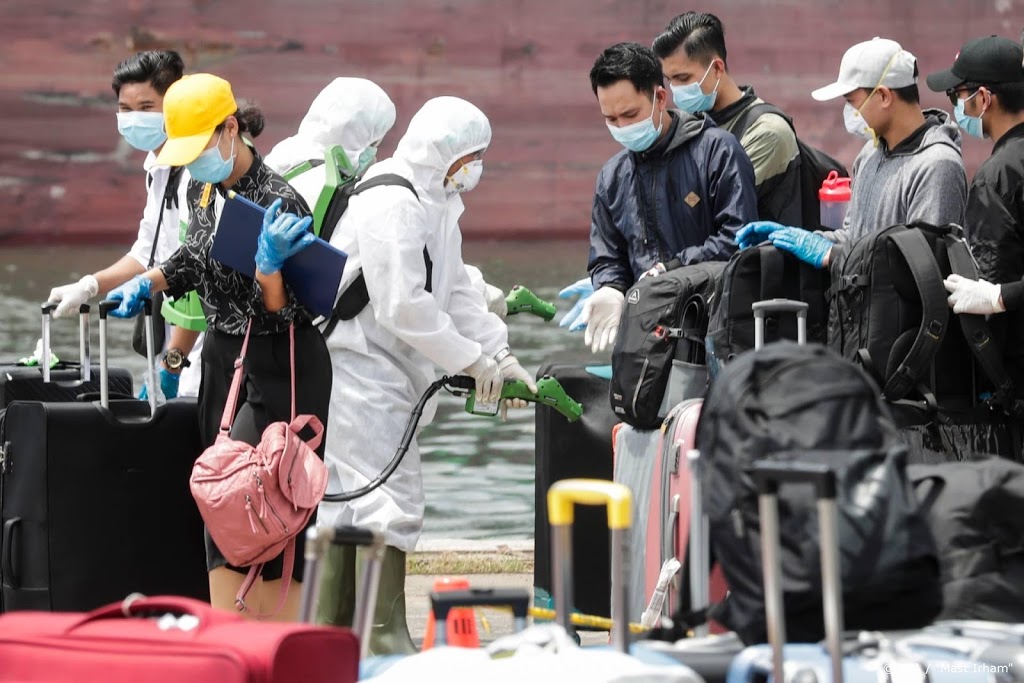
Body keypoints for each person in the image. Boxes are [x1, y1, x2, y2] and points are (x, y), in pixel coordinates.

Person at [310, 96, 535, 653]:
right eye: (472, 156)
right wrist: (472, 361)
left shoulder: (437, 200)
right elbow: (402, 306)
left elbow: (455, 289)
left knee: (350, 498)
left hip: (385, 368)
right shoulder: (394, 197)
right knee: (384, 498)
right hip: (358, 366)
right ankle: (380, 636)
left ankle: (333, 634)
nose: (475, 168)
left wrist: (499, 355)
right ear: (447, 150)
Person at [104, 73, 331, 622]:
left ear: (231, 129)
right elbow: (196, 255)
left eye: (201, 145)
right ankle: (229, 629)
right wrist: (150, 283)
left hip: (282, 357)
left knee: (263, 496)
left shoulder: (279, 200)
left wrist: (270, 268)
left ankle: (274, 633)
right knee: (216, 492)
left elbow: (287, 312)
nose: (194, 160)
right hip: (223, 353)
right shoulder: (201, 185)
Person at [579, 42, 757, 352]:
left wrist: (671, 269)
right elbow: (608, 257)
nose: (622, 127)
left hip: (713, 328)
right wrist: (610, 288)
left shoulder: (717, 151)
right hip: (646, 334)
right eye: (611, 119)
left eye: (630, 114)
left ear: (660, 97)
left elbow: (739, 239)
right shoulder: (612, 177)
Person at [45, 50, 201, 398]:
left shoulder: (196, 172)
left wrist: (171, 365)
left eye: (146, 108)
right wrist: (88, 286)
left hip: (199, 348)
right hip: (172, 338)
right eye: (125, 109)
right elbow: (147, 251)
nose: (134, 119)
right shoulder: (158, 167)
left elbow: (197, 269)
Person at [739, 37, 967, 268]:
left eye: (852, 101)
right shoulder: (870, 154)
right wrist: (798, 239)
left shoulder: (937, 165)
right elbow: (853, 238)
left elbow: (921, 266)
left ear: (884, 96)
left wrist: (833, 256)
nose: (850, 112)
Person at [926, 35, 1024, 386]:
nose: (956, 105)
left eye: (957, 95)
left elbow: (989, 284)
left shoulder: (998, 176)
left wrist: (997, 297)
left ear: (983, 99)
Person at [653, 11, 802, 226]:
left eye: (683, 78)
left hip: (753, 257)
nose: (676, 89)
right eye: (670, 80)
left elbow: (707, 213)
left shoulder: (767, 132)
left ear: (717, 68)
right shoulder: (692, 124)